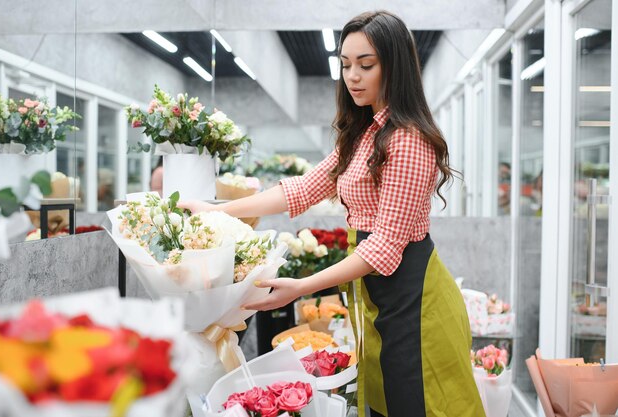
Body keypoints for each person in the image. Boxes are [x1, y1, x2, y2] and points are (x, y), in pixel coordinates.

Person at [181, 11, 484, 417]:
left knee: (421, 403)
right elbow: (302, 190)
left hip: (416, 305)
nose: (352, 77)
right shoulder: (364, 134)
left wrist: (302, 286)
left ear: (395, 66)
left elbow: (384, 248)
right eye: (345, 65)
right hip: (380, 298)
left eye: (366, 64)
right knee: (384, 400)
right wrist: (217, 211)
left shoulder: (410, 142)